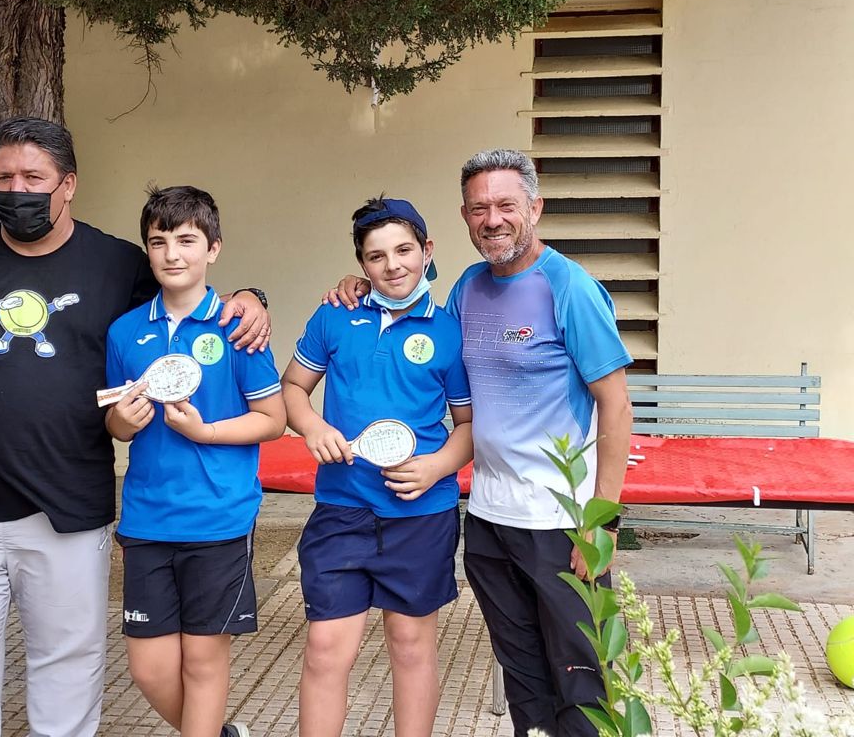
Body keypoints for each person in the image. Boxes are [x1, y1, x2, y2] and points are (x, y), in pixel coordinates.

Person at [0, 116, 270, 737]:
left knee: (67, 666)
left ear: (68, 185)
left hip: (68, 508)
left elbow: (186, 289)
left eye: (33, 177)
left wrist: (252, 296)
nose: (17, 190)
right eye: (5, 178)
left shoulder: (118, 264)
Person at [328, 152, 633, 736]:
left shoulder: (569, 287)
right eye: (479, 208)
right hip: (490, 520)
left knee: (583, 680)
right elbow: (410, 312)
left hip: (561, 521)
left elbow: (616, 405)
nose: (492, 219)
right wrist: (358, 287)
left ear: (535, 208)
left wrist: (603, 521)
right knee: (523, 677)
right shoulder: (468, 286)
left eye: (505, 205)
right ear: (465, 217)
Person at [283, 197, 474, 737]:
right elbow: (294, 386)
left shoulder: (450, 331)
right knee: (325, 646)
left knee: (411, 645)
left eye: (404, 250)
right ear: (361, 264)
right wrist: (312, 426)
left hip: (421, 513)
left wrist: (437, 467)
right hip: (342, 508)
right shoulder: (334, 316)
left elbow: (468, 424)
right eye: (376, 256)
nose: (393, 265)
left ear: (427, 251)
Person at [104, 185, 286, 737]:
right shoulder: (125, 331)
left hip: (219, 518)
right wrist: (122, 422)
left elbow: (272, 419)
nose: (172, 254)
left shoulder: (239, 327)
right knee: (149, 669)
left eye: (186, 240)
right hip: (147, 518)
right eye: (158, 242)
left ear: (213, 248)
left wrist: (205, 432)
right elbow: (114, 423)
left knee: (204, 663)